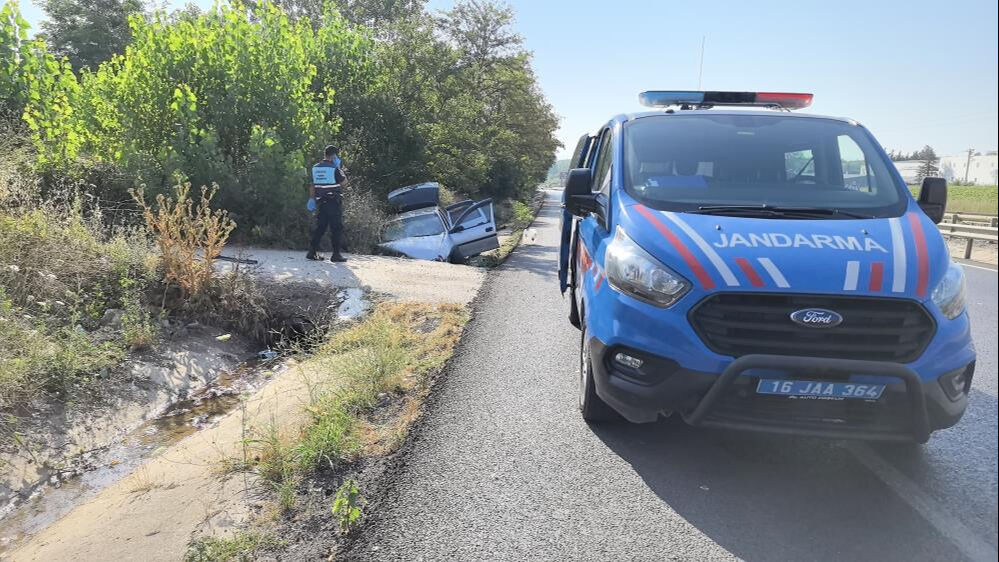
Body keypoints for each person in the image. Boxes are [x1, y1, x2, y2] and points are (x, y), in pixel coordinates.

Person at [307, 145, 347, 262]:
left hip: (321, 202)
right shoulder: (334, 168)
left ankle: (312, 251)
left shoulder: (316, 168)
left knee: (320, 227)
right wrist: (339, 168)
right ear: (334, 156)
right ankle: (336, 255)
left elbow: (312, 185)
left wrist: (312, 199)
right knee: (336, 228)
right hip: (333, 202)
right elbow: (344, 182)